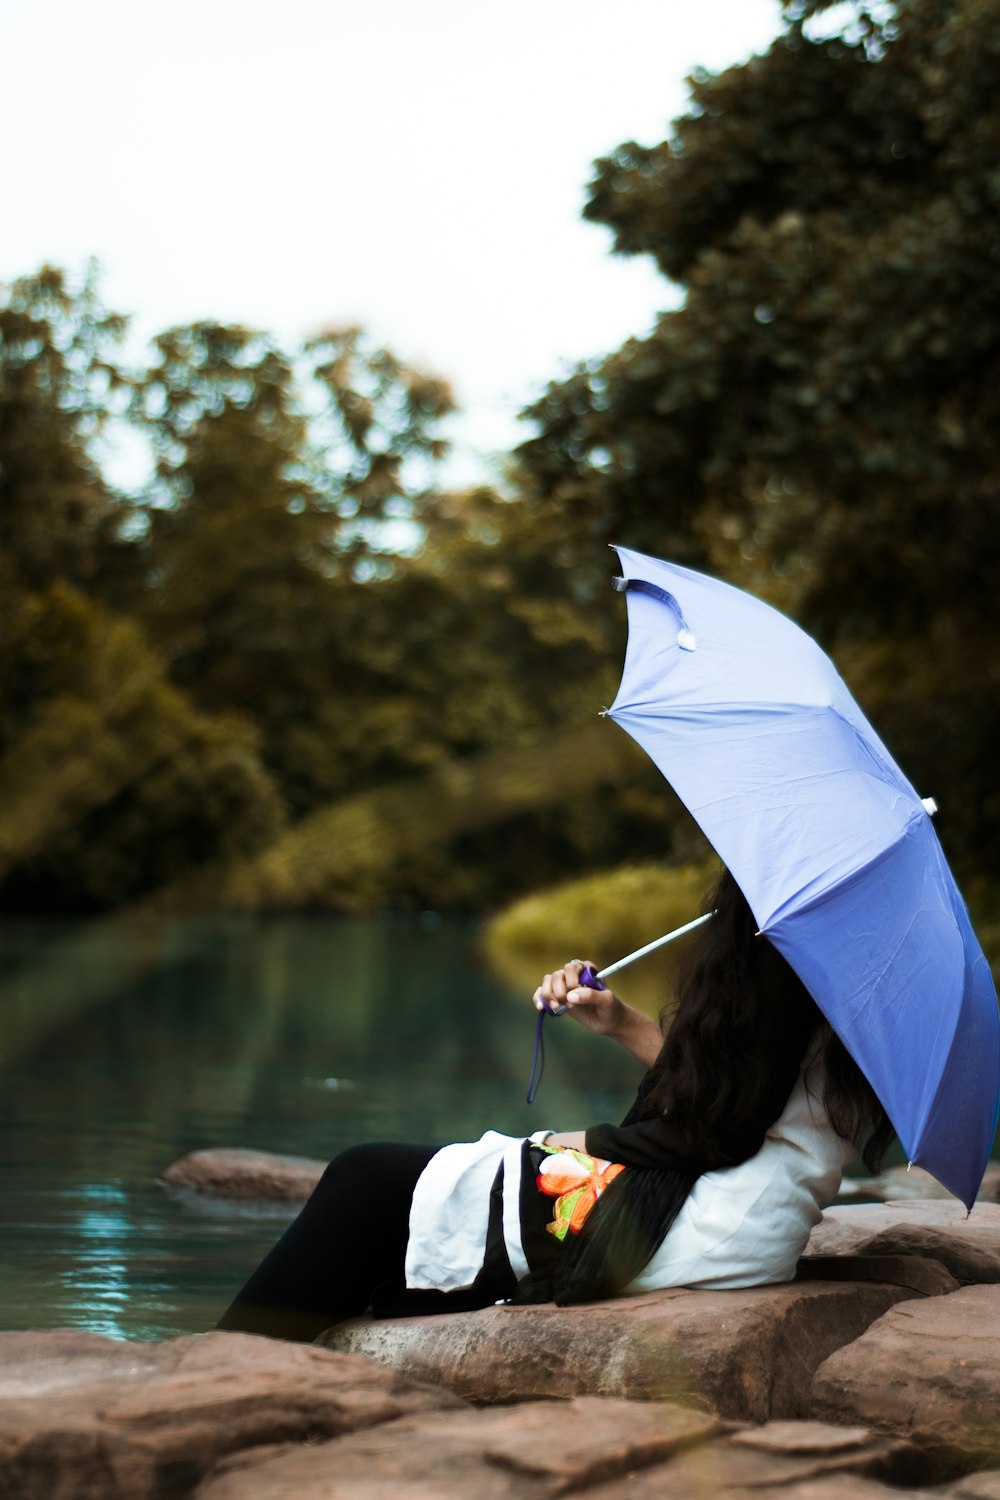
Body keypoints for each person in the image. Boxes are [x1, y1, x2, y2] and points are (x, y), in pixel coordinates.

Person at [217, 867, 893, 1341]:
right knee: (394, 1211)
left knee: (367, 1177)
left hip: (699, 1219)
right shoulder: (848, 965)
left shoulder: (786, 958)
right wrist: (623, 1021)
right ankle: (264, 1361)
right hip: (745, 1221)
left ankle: (226, 1371)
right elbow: (743, 1102)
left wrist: (582, 1142)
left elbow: (721, 1133)